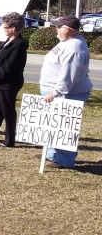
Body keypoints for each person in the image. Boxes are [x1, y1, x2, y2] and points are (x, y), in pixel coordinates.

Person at [40, 15, 93, 168]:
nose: (56, 30)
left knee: (65, 126)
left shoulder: (74, 48)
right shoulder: (69, 42)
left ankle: (64, 159)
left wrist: (56, 92)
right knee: (54, 125)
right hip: (58, 92)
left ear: (67, 29)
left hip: (68, 93)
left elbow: (69, 75)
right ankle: (51, 154)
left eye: (58, 27)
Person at [0, 12, 29, 147]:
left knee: (7, 111)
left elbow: (9, 66)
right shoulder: (9, 41)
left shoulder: (19, 44)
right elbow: (0, 56)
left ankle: (9, 140)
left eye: (5, 27)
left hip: (8, 84)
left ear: (13, 28)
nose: (3, 29)